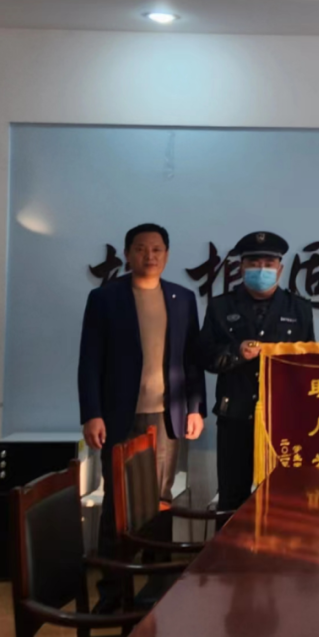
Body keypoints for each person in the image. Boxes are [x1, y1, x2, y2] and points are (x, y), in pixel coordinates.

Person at [78, 223, 206, 611]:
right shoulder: (105, 298)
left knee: (160, 504)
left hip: (166, 418)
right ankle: (113, 593)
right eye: (140, 248)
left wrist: (196, 408)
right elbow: (89, 361)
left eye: (156, 249)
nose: (149, 255)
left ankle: (157, 590)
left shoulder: (182, 299)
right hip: (119, 418)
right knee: (118, 506)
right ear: (127, 253)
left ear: (166, 254)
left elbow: (192, 360)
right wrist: (92, 414)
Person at [200, 231, 315, 512]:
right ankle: (229, 544)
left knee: (283, 501)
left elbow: (309, 361)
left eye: (268, 263)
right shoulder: (220, 306)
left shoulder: (299, 308)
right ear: (241, 267)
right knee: (231, 499)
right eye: (253, 263)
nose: (261, 269)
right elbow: (204, 356)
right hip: (235, 416)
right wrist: (236, 353)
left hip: (283, 418)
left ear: (280, 268)